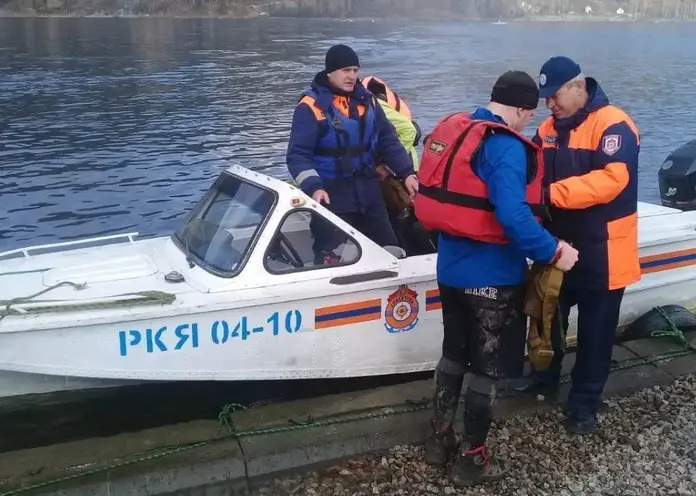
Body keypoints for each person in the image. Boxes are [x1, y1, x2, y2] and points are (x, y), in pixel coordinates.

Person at [414, 71, 579, 487]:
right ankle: (473, 458)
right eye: (530, 112)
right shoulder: (505, 146)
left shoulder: (460, 130)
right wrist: (555, 251)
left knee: (453, 354)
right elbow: (513, 215)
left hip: (450, 270)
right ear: (523, 109)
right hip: (492, 278)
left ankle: (439, 440)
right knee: (486, 368)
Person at [512, 56, 641, 434]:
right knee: (547, 316)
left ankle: (584, 402)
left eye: (555, 95)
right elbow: (529, 167)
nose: (550, 103)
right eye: (546, 98)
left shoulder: (614, 124)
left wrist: (550, 194)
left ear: (579, 87)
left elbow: (611, 180)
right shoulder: (548, 129)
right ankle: (544, 377)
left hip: (604, 250)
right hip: (559, 245)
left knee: (596, 333)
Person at [286, 44, 418, 262]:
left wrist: (408, 173)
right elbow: (297, 155)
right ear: (331, 72)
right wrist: (314, 187)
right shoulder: (310, 107)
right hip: (331, 197)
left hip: (369, 193)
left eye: (355, 71)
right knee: (330, 257)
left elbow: (389, 140)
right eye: (346, 70)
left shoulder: (369, 102)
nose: (351, 76)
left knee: (389, 251)